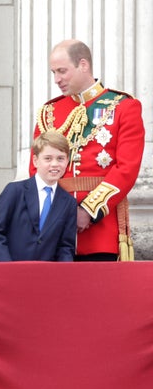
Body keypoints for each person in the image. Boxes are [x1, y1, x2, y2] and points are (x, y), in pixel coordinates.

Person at [30, 39, 145, 261]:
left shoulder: (123, 107)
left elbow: (126, 169)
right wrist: (56, 214)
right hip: (54, 230)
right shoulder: (49, 113)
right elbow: (37, 170)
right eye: (54, 72)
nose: (57, 79)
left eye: (62, 71)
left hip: (100, 231)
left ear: (83, 65)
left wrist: (89, 211)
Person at [0, 131, 78, 261]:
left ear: (67, 161)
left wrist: (62, 276)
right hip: (12, 271)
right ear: (35, 161)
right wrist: (6, 267)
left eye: (60, 158)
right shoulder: (14, 191)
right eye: (48, 158)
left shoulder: (68, 202)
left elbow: (65, 246)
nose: (54, 164)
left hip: (47, 276)